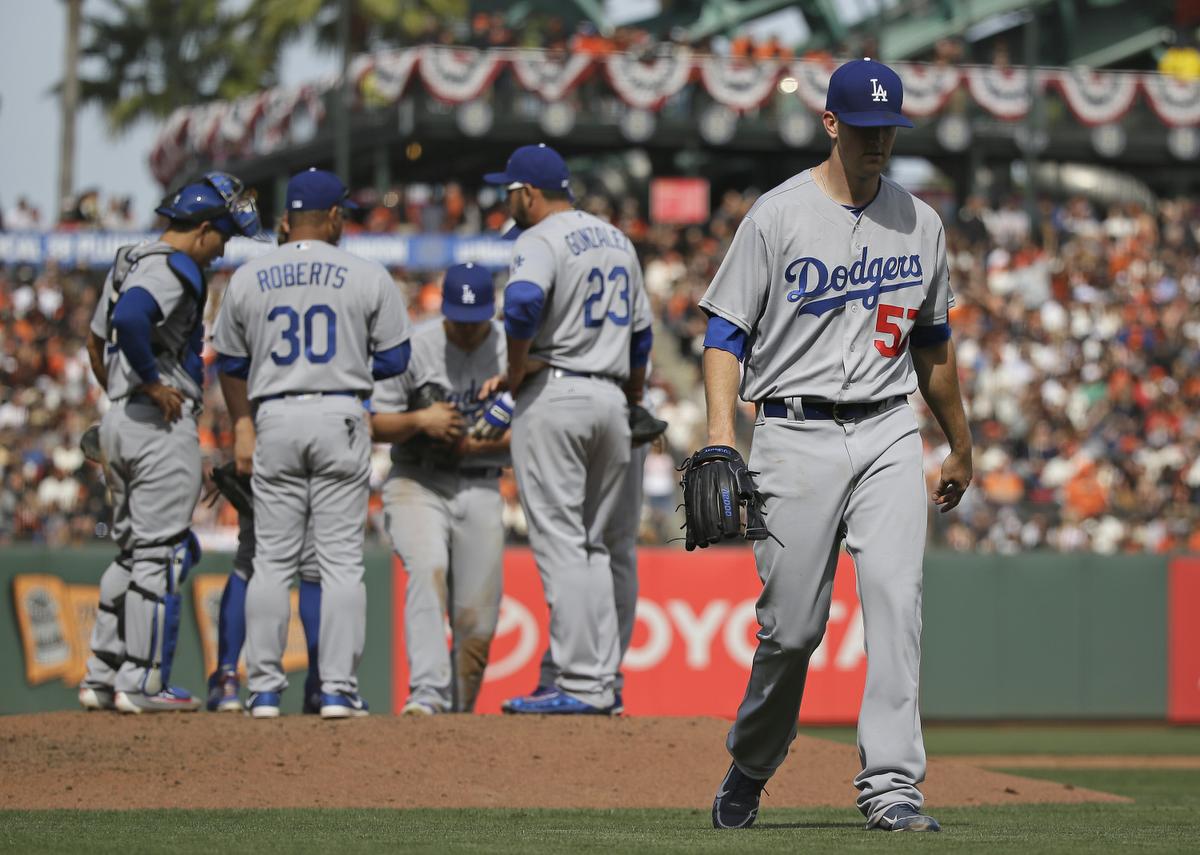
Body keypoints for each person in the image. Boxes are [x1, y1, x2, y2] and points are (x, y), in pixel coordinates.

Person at [698, 59, 972, 832]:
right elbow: (724, 333)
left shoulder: (921, 223)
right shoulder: (778, 214)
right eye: (864, 125)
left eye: (888, 126)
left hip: (889, 425)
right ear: (830, 123)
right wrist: (723, 436)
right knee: (792, 630)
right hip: (792, 427)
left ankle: (892, 784)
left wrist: (961, 445)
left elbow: (935, 348)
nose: (879, 138)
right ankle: (753, 760)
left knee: (895, 601)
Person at [212, 168, 412, 719]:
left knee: (272, 562)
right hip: (340, 411)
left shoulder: (251, 276)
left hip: (273, 415)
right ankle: (338, 690)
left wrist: (243, 425)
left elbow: (229, 362)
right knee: (340, 563)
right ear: (332, 218)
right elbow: (395, 359)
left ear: (285, 220)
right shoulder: (366, 273)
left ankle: (265, 691)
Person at [78, 172, 261, 713]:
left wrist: (119, 399)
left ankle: (101, 675)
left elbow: (95, 339)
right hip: (159, 421)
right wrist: (150, 385)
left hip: (122, 420)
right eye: (222, 237)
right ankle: (143, 682)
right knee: (164, 555)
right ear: (203, 229)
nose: (222, 249)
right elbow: (133, 317)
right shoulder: (175, 267)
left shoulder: (129, 256)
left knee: (133, 552)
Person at [481, 143, 653, 714]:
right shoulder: (617, 239)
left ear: (529, 193)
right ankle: (601, 680)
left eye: (509, 192)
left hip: (556, 391)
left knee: (564, 545)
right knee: (600, 547)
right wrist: (631, 397)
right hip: (610, 397)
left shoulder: (539, 238)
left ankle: (580, 684)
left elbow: (524, 302)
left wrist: (512, 367)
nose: (507, 202)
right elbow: (642, 338)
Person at [370, 263, 511, 715]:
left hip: (482, 482)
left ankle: (460, 713)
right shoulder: (414, 345)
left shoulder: (512, 348)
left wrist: (471, 441)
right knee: (427, 568)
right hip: (418, 480)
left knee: (476, 617)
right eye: (460, 320)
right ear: (444, 311)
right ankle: (427, 693)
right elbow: (374, 421)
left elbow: (535, 425)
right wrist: (420, 421)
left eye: (477, 320)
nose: (469, 329)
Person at [204, 513, 323, 714]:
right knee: (315, 568)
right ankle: (320, 686)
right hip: (323, 484)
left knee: (252, 562)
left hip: (267, 485)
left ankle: (231, 682)